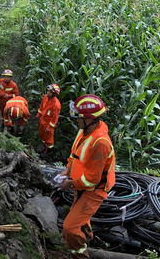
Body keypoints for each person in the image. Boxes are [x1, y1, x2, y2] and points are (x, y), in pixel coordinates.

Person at [59, 94, 116, 259]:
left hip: (93, 191)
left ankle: (80, 253)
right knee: (80, 218)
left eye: (79, 117)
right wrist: (67, 170)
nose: (76, 120)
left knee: (69, 228)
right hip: (81, 185)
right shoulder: (84, 131)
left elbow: (92, 179)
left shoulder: (101, 143)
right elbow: (75, 155)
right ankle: (87, 237)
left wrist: (70, 183)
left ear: (89, 119)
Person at [36, 84, 61, 157]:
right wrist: (39, 114)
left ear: (54, 94)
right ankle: (43, 146)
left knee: (49, 138)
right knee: (42, 134)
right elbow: (41, 107)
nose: (48, 93)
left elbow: (55, 118)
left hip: (49, 123)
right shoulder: (45, 97)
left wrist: (49, 127)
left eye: (50, 92)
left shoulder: (56, 105)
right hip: (43, 120)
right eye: (48, 91)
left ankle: (47, 151)